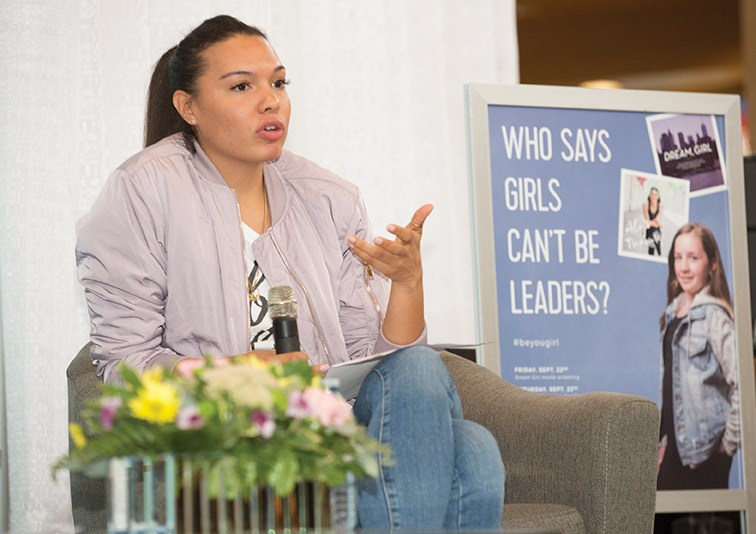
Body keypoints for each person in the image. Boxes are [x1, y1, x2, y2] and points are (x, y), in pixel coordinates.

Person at [75, 14, 505, 529]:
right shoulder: (142, 191)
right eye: (242, 86)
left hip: (333, 417)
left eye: (278, 83)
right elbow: (126, 362)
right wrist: (236, 374)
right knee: (473, 449)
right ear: (187, 106)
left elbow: (375, 362)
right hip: (235, 427)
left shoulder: (326, 197)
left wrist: (408, 282)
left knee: (419, 370)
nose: (270, 100)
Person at [657, 222, 739, 490]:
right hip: (676, 452)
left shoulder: (715, 315)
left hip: (705, 456)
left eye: (693, 258)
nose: (684, 267)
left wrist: (726, 447)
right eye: (678, 258)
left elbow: (743, 386)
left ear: (712, 263)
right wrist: (664, 442)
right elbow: (672, 389)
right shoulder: (672, 313)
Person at [643, 186, 663, 256]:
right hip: (649, 231)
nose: (653, 196)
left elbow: (658, 219)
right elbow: (647, 220)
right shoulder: (645, 205)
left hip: (657, 231)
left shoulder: (661, 206)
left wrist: (650, 223)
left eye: (655, 194)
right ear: (649, 195)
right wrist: (657, 224)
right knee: (651, 250)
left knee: (658, 247)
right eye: (652, 194)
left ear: (658, 196)